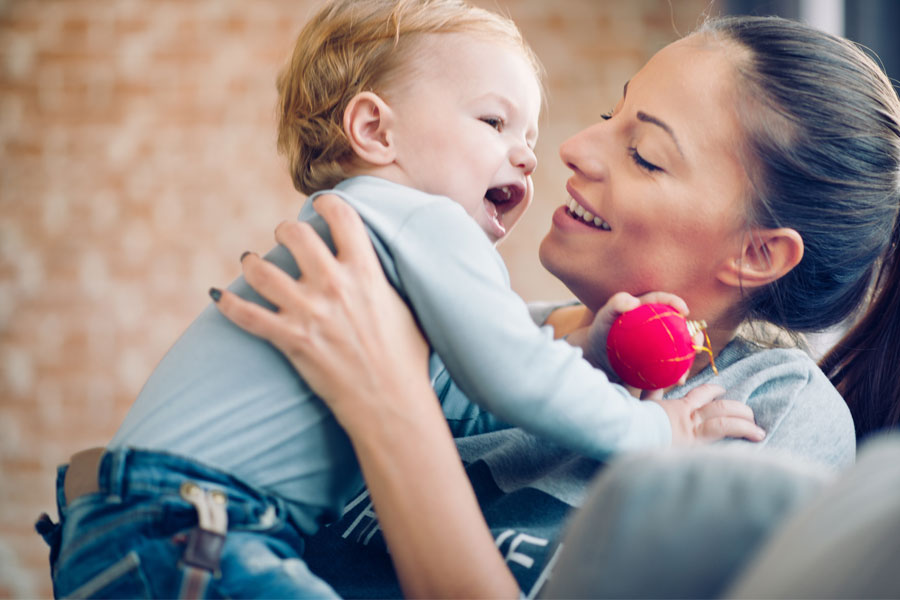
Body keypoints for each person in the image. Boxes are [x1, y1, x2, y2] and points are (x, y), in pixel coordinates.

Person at [35, 1, 764, 598]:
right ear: (376, 130)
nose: (527, 155)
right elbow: (511, 375)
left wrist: (576, 351)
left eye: (527, 136)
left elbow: (465, 398)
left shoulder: (375, 238)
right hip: (192, 527)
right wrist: (658, 434)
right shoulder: (418, 216)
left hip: (140, 522)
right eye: (493, 122)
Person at [212, 13, 899, 598]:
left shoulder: (772, 411)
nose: (569, 150)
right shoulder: (503, 338)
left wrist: (387, 401)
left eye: (644, 154)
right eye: (611, 115)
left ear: (757, 254)